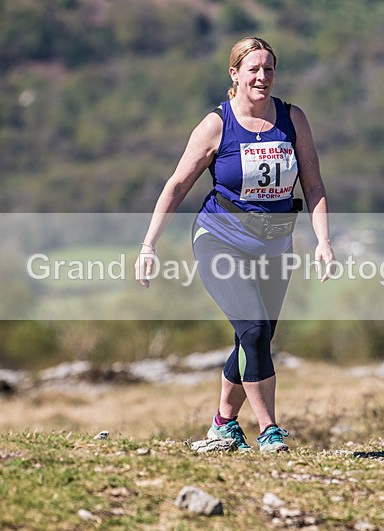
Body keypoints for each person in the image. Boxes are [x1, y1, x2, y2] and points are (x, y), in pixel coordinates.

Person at [135, 36, 333, 453]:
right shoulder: (216, 125)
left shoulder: (292, 119)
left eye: (269, 69)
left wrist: (323, 241)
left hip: (276, 246)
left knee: (255, 339)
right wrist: (149, 246)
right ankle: (270, 431)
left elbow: (313, 184)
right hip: (221, 240)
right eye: (254, 70)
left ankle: (223, 423)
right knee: (254, 328)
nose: (262, 77)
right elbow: (176, 186)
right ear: (235, 74)